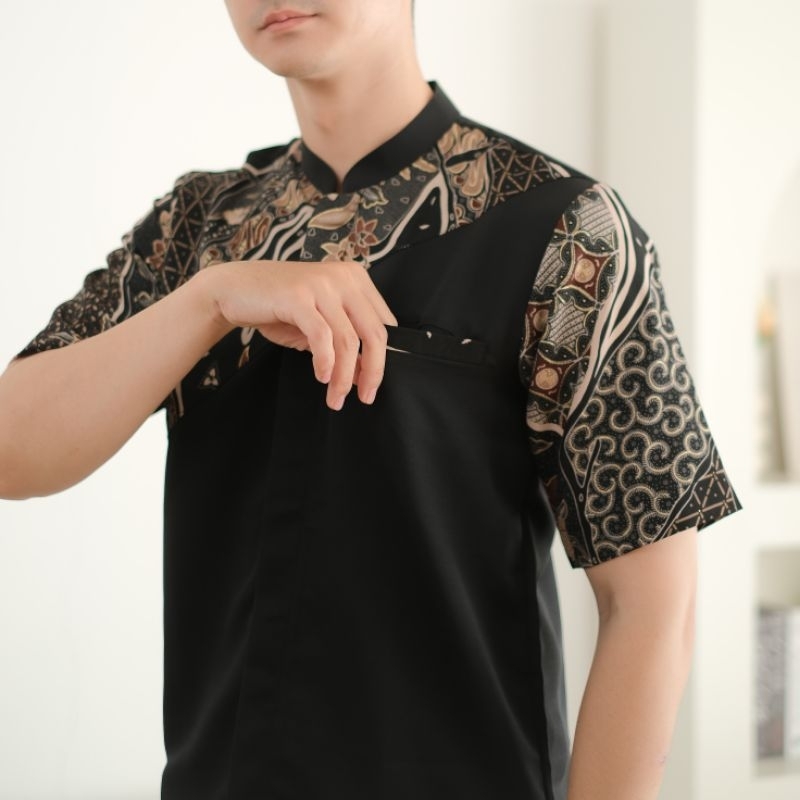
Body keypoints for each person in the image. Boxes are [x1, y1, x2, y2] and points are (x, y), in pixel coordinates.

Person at [0, 1, 741, 798]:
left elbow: (650, 608)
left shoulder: (568, 229)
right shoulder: (196, 232)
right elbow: (13, 448)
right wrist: (210, 302)